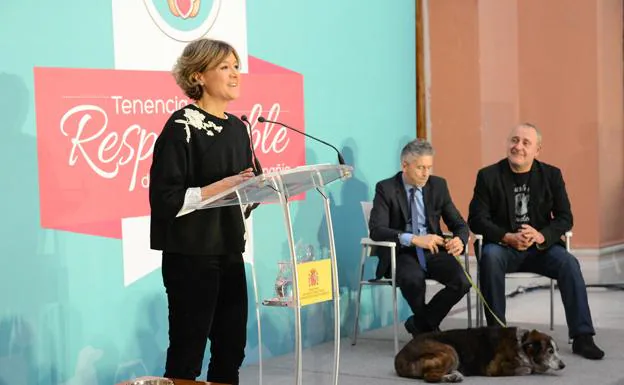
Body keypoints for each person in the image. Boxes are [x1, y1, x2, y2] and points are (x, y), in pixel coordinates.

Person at [149, 38, 261, 384]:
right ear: (198, 76)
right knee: (188, 351)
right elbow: (164, 199)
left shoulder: (238, 128)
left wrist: (255, 190)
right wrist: (220, 187)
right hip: (191, 254)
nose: (234, 75)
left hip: (228, 249)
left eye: (236, 67)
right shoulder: (181, 126)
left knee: (231, 348)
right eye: (224, 67)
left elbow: (242, 189)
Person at [467, 122, 604, 360]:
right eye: (514, 140)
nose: (518, 146)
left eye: (526, 143)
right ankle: (498, 336)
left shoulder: (551, 175)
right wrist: (507, 237)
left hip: (541, 249)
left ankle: (583, 337)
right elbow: (476, 219)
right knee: (489, 257)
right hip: (503, 248)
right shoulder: (488, 176)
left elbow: (565, 218)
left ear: (537, 150)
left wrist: (542, 235)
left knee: (569, 263)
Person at [369, 139, 471, 336]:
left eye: (429, 167)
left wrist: (460, 239)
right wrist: (413, 238)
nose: (426, 173)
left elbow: (459, 224)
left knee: (462, 282)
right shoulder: (386, 188)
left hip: (433, 251)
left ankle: (421, 325)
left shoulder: (438, 185)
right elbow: (377, 229)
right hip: (403, 252)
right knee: (414, 281)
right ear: (405, 166)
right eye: (420, 168)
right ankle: (429, 331)